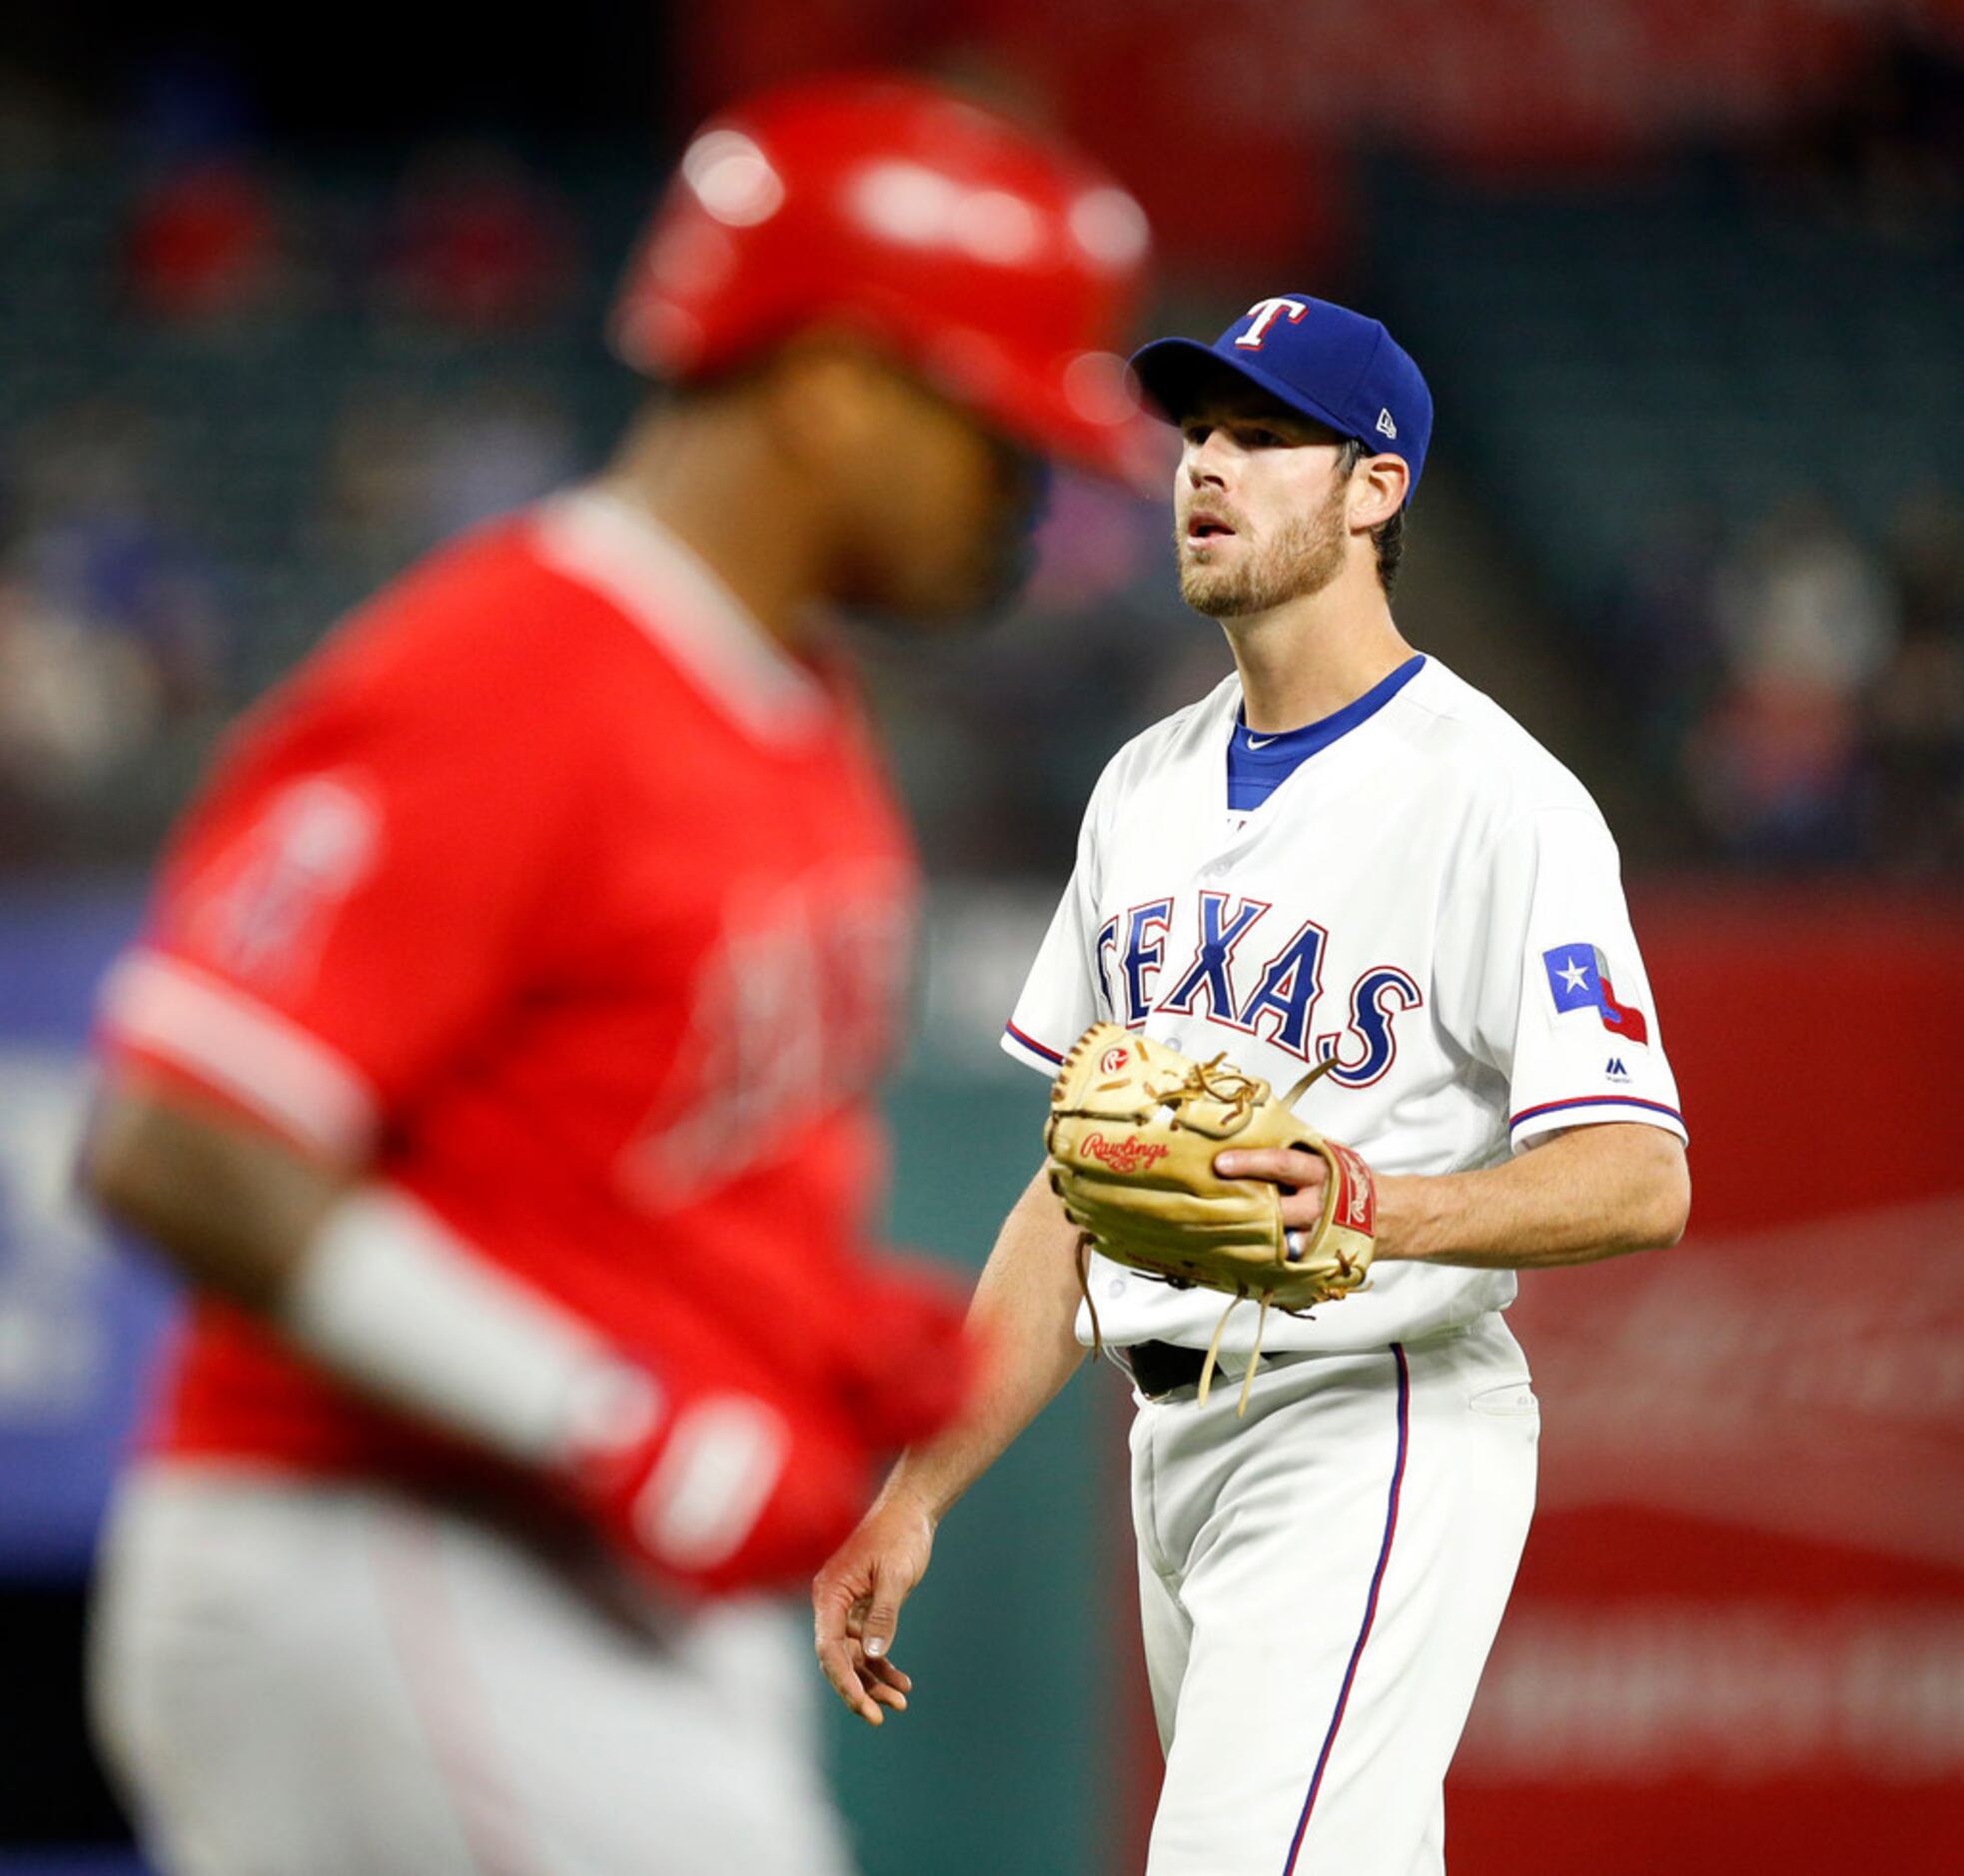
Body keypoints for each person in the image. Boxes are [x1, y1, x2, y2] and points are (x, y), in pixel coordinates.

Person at [80, 76, 1151, 1876]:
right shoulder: (517, 671)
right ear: (828, 388)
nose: (1030, 494)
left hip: (585, 1590)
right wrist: (608, 1412)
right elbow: (181, 1142)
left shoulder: (795, 709)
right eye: (993, 431)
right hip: (392, 1547)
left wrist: (808, 1337)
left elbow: (623, 1164)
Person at [813, 294, 1692, 1875]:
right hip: (1173, 1449)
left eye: (1264, 435)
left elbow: (1640, 1174)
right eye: (1197, 433)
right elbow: (1069, 1191)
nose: (1205, 466)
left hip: (1371, 1415)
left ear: (1375, 487)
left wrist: (1384, 1201)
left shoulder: (1498, 798)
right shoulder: (1140, 786)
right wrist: (914, 1493)